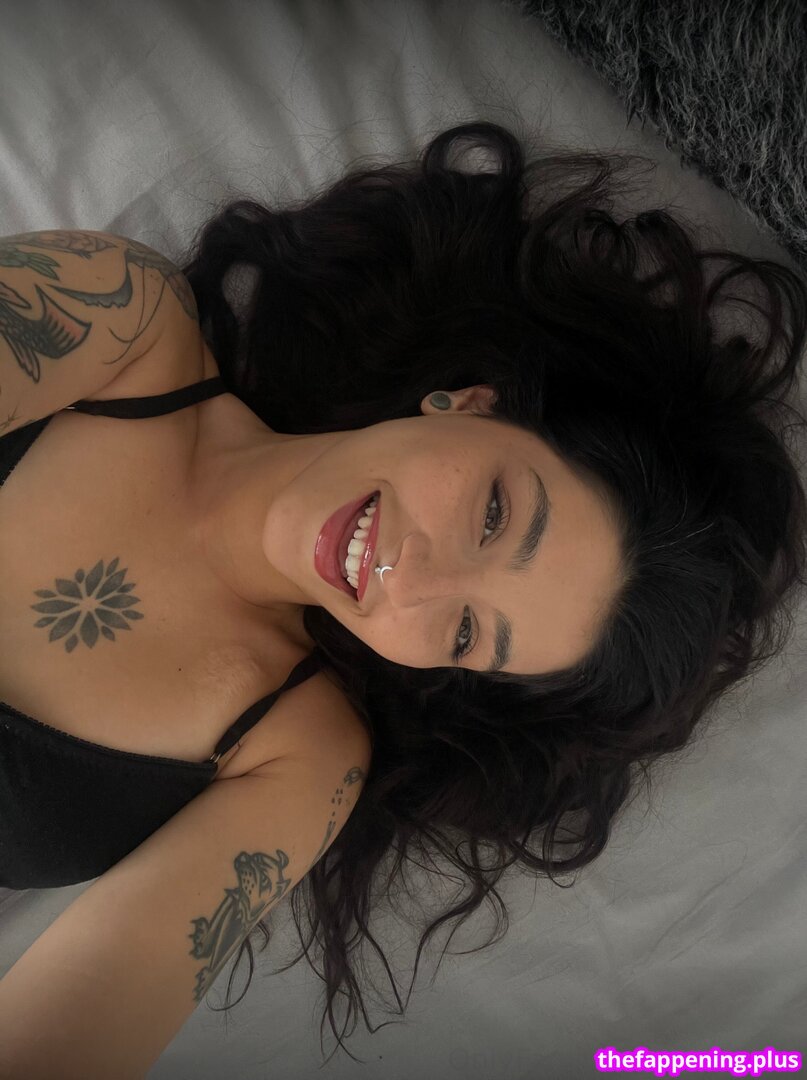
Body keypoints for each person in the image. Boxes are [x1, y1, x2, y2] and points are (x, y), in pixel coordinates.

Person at [6, 120, 807, 1060]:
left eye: (468, 632)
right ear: (470, 401)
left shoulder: (301, 756)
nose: (415, 580)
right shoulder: (122, 322)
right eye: (494, 516)